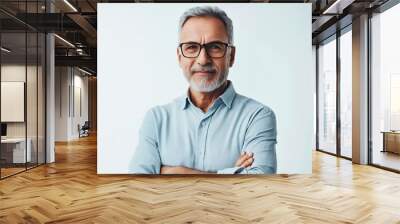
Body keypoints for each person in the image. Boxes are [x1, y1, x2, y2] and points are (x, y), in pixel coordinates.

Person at [130, 6, 277, 174]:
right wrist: (232, 175)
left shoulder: (257, 116)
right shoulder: (156, 119)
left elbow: (260, 183)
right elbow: (137, 183)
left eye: (215, 47)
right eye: (191, 47)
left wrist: (175, 173)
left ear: (232, 56)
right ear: (179, 57)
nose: (203, 59)